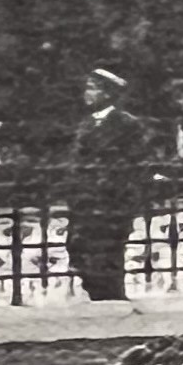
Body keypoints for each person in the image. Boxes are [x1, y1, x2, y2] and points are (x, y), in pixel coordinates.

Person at [60, 68, 154, 301]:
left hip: (111, 201)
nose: (87, 93)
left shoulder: (126, 124)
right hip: (85, 201)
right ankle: (95, 292)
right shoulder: (86, 124)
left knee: (109, 253)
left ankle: (111, 298)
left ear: (107, 93)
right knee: (81, 249)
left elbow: (135, 162)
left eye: (92, 88)